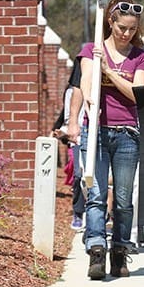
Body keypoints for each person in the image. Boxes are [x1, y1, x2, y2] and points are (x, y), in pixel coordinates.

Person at [69, 0, 144, 280]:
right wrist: (94, 81)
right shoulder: (92, 49)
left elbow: (136, 93)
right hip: (97, 131)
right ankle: (96, 249)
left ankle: (119, 250)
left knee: (124, 199)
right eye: (121, 28)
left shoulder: (141, 56)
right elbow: (85, 82)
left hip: (128, 132)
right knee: (95, 194)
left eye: (131, 29)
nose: (126, 34)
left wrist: (110, 73)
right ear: (110, 22)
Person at [51, 55, 86, 230]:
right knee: (79, 174)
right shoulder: (71, 92)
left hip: (99, 136)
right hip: (77, 138)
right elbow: (67, 116)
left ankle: (103, 214)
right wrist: (61, 130)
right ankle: (78, 211)